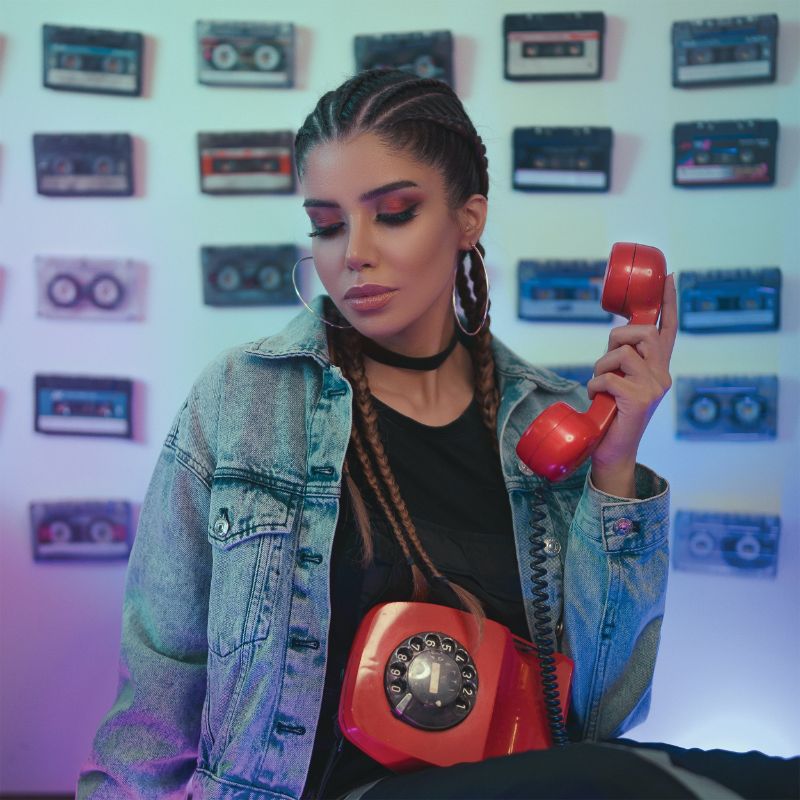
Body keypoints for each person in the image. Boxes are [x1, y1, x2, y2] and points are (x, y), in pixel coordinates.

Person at [76, 70, 796, 800]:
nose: (351, 252)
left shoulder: (550, 423)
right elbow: (155, 703)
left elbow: (604, 713)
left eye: (393, 213)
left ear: (469, 218)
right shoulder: (242, 400)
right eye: (326, 224)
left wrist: (615, 464)